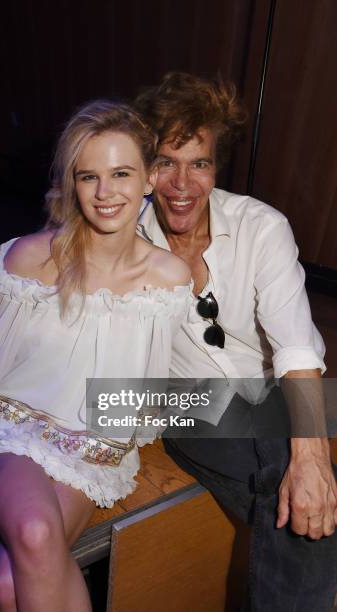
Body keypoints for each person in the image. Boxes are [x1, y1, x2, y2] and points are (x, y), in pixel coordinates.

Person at [0, 101, 192, 612]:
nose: (105, 192)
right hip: (2, 432)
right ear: (72, 184)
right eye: (89, 176)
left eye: (121, 173)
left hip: (84, 450)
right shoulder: (28, 258)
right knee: (32, 527)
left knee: (9, 584)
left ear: (148, 179)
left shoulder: (167, 280)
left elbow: (143, 387)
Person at [135, 72, 337, 611]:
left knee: (295, 473)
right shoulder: (123, 237)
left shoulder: (261, 227)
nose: (183, 183)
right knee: (284, 474)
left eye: (198, 163)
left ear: (216, 167)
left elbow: (296, 346)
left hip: (266, 393)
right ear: (144, 170)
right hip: (181, 402)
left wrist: (312, 458)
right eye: (165, 162)